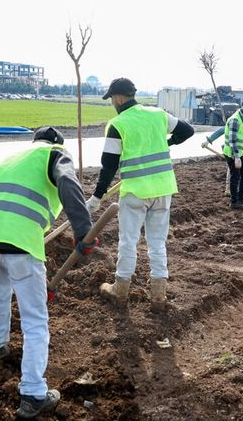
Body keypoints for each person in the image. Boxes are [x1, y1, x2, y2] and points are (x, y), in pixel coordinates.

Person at [0, 127, 96, 419]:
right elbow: (67, 181)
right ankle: (33, 393)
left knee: (0, 291)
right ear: (55, 144)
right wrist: (83, 230)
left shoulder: (12, 158)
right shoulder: (54, 154)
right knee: (35, 319)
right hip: (18, 241)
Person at [88, 78, 194, 311]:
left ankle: (120, 291)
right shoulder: (158, 114)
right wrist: (169, 142)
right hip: (163, 189)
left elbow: (109, 166)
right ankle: (158, 295)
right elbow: (188, 130)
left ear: (117, 98)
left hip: (135, 192)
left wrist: (96, 197)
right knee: (157, 243)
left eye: (111, 100)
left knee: (128, 241)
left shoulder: (118, 124)